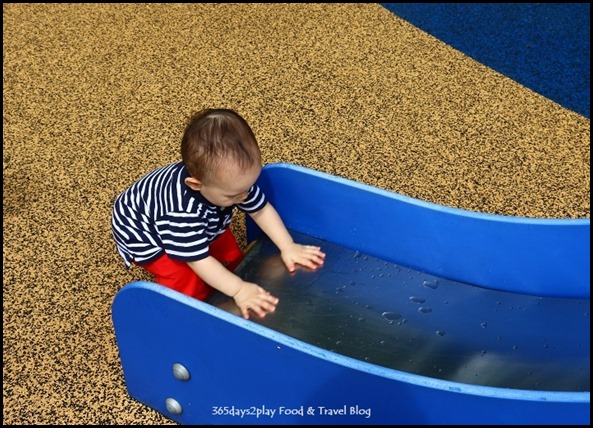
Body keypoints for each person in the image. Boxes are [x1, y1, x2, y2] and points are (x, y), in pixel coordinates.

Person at [111, 108, 326, 320]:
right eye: (234, 194)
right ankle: (196, 311)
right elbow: (198, 260)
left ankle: (231, 268)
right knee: (184, 279)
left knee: (227, 246)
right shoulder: (182, 214)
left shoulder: (232, 186)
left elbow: (261, 209)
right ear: (196, 184)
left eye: (248, 186)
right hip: (142, 232)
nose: (245, 196)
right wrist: (239, 290)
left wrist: (287, 245)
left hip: (198, 212)